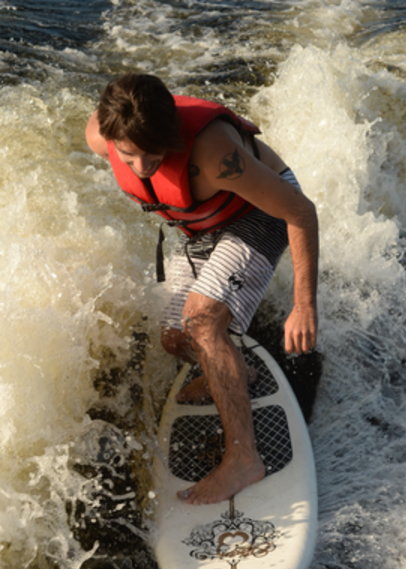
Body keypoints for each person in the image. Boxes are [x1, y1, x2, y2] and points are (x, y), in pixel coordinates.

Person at [85, 73, 319, 506]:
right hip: (204, 223)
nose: (142, 167)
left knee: (203, 321)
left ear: (171, 136)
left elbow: (301, 212)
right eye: (129, 156)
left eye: (153, 154)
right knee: (175, 339)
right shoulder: (101, 133)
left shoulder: (215, 156)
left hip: (260, 211)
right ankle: (236, 372)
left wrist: (303, 305)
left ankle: (244, 459)